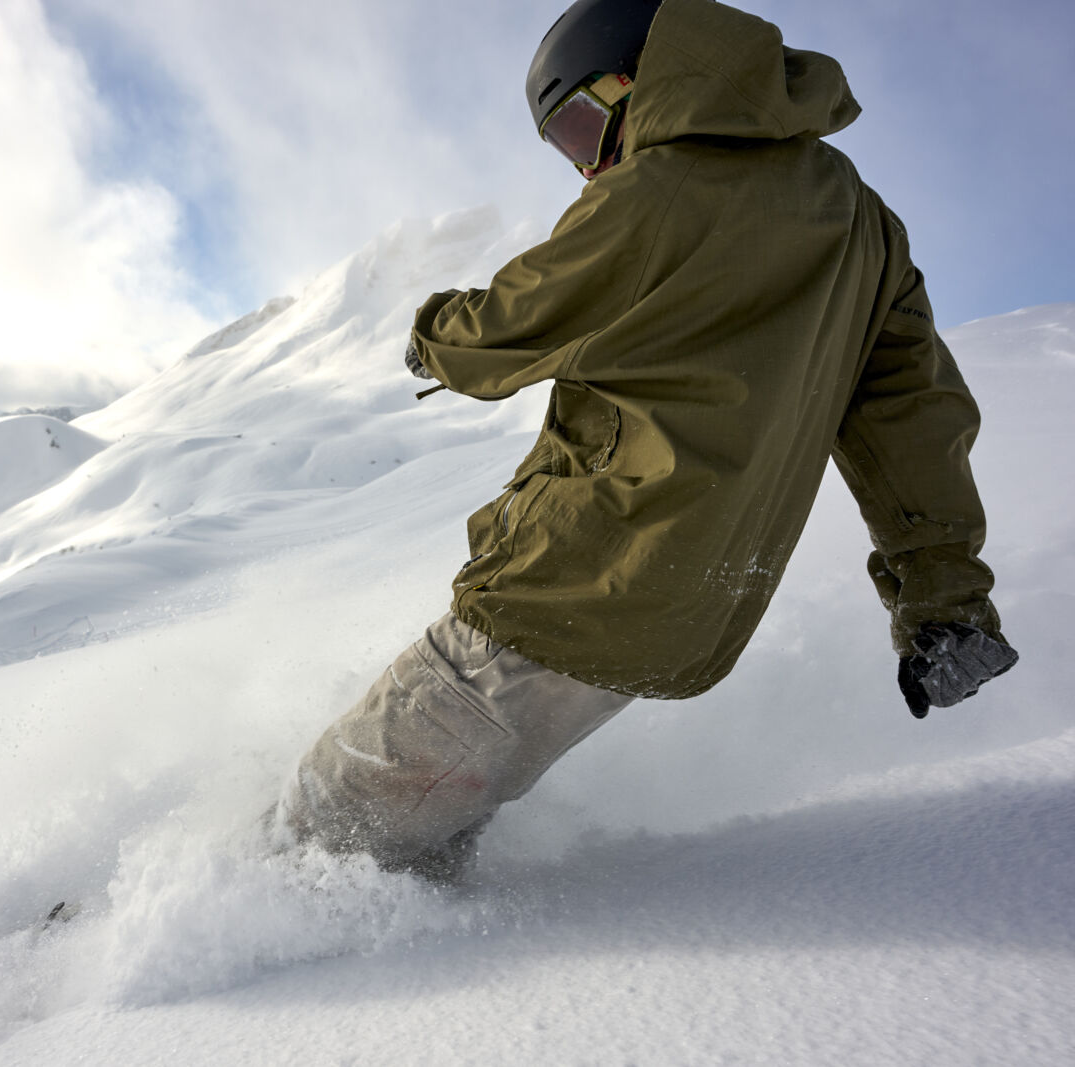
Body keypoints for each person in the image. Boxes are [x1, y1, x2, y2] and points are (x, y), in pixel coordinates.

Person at [269, 0, 1018, 883]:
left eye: (583, 127)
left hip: (566, 583)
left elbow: (513, 325)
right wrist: (944, 597)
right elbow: (911, 419)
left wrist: (429, 333)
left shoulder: (658, 189)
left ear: (640, 80)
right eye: (566, 149)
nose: (588, 166)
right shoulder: (864, 222)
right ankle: (403, 968)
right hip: (682, 624)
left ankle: (162, 965)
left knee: (318, 828)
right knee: (416, 836)